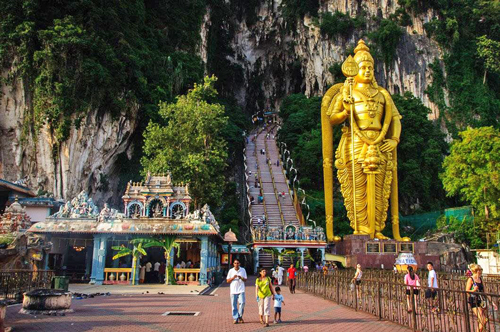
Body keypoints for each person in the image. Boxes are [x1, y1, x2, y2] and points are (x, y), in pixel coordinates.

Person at [466, 264, 497, 332]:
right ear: (476, 271)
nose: (481, 272)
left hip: (481, 300)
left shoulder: (480, 279)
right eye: (479, 270)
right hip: (474, 300)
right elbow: (467, 291)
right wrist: (474, 290)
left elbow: (485, 292)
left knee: (484, 320)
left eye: (481, 270)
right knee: (482, 319)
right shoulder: (471, 279)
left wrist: (492, 302)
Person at [227, 259, 247, 324]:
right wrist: (233, 278)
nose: (236, 264)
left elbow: (245, 279)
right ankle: (235, 318)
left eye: (237, 263)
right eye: (235, 263)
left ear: (239, 264)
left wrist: (241, 277)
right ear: (233, 264)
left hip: (241, 289)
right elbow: (227, 281)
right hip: (233, 290)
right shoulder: (231, 271)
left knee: (242, 303)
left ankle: (240, 316)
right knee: (234, 305)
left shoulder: (243, 270)